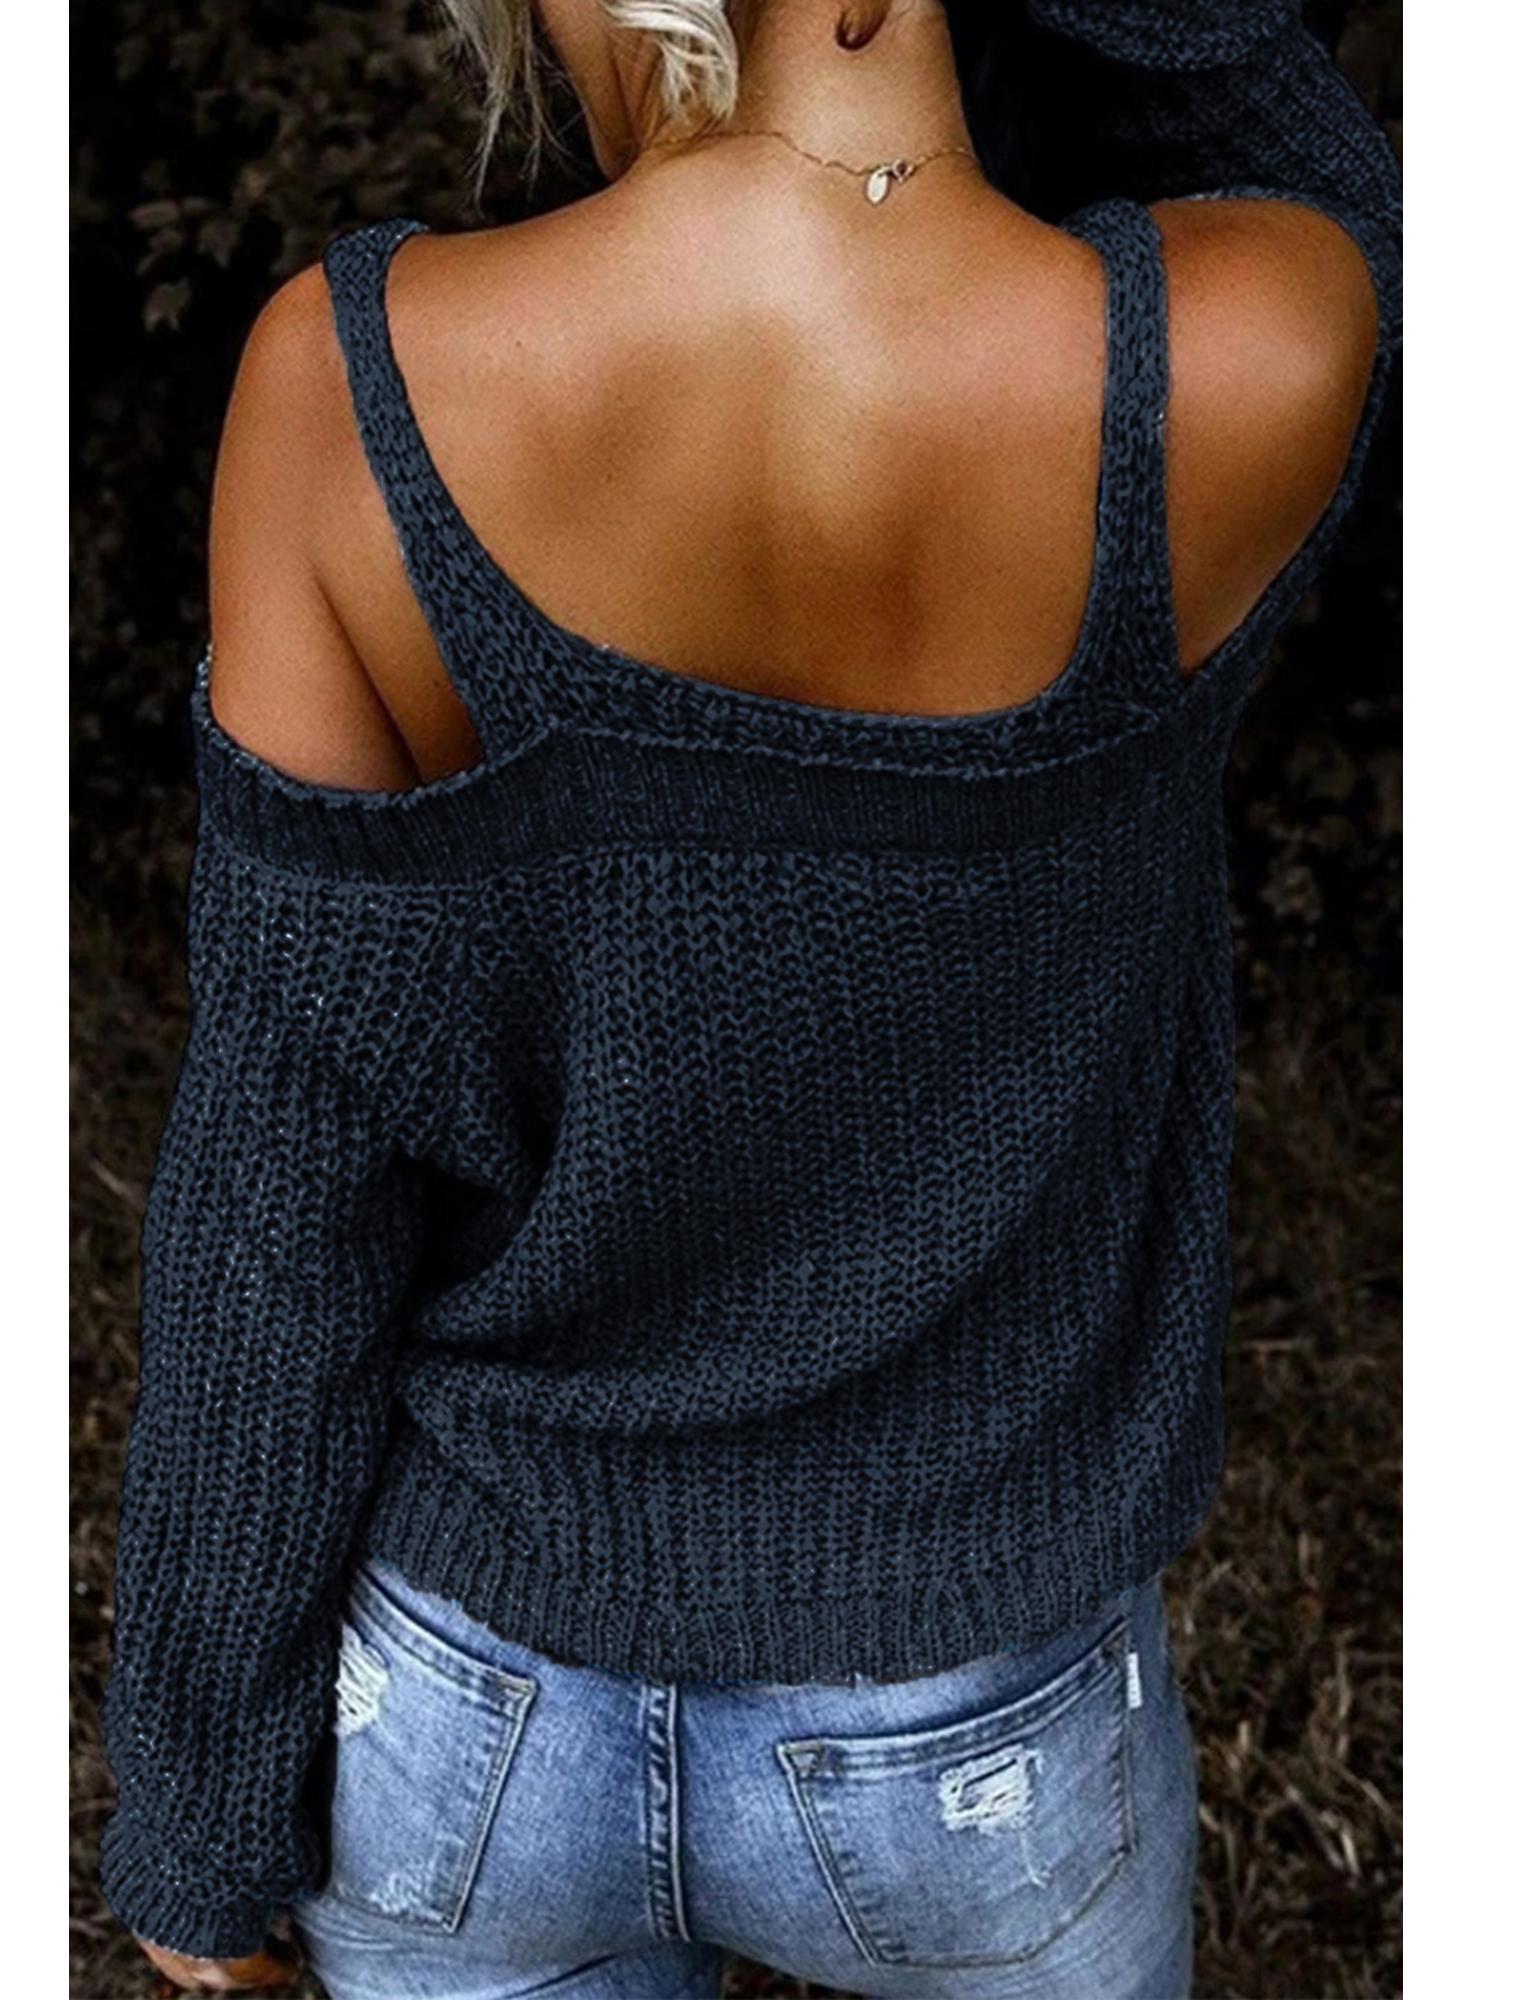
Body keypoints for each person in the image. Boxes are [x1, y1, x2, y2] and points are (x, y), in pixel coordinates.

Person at [95, 3, 1401, 1995]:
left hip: (472, 1714)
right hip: (975, 1732)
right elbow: (1290, 153)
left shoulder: (347, 389)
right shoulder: (1238, 354)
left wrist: (199, 1804)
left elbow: (286, 1168)